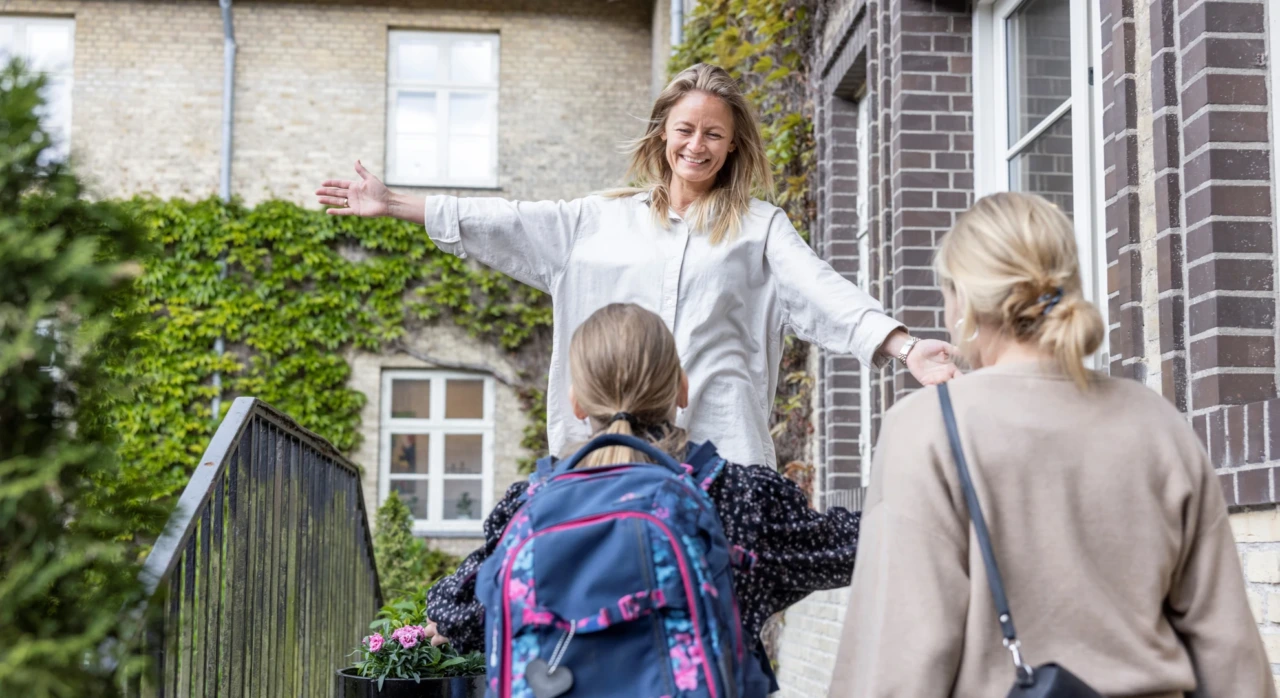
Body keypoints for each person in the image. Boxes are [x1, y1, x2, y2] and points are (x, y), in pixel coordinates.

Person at [316, 63, 957, 468]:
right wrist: (395, 202)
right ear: (661, 134)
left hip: (720, 456)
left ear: (733, 146)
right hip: (604, 459)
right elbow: (502, 218)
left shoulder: (759, 228)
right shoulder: (593, 221)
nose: (696, 145)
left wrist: (901, 346)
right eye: (685, 129)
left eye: (713, 134)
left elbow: (821, 291)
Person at [830, 192, 1274, 697]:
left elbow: (897, 660)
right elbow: (1229, 650)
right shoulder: (1157, 424)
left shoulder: (926, 429)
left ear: (967, 301)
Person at [422, 302, 861, 691]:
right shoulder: (739, 498)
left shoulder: (528, 507)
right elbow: (855, 549)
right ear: (681, 389)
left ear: (577, 403)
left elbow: (455, 609)